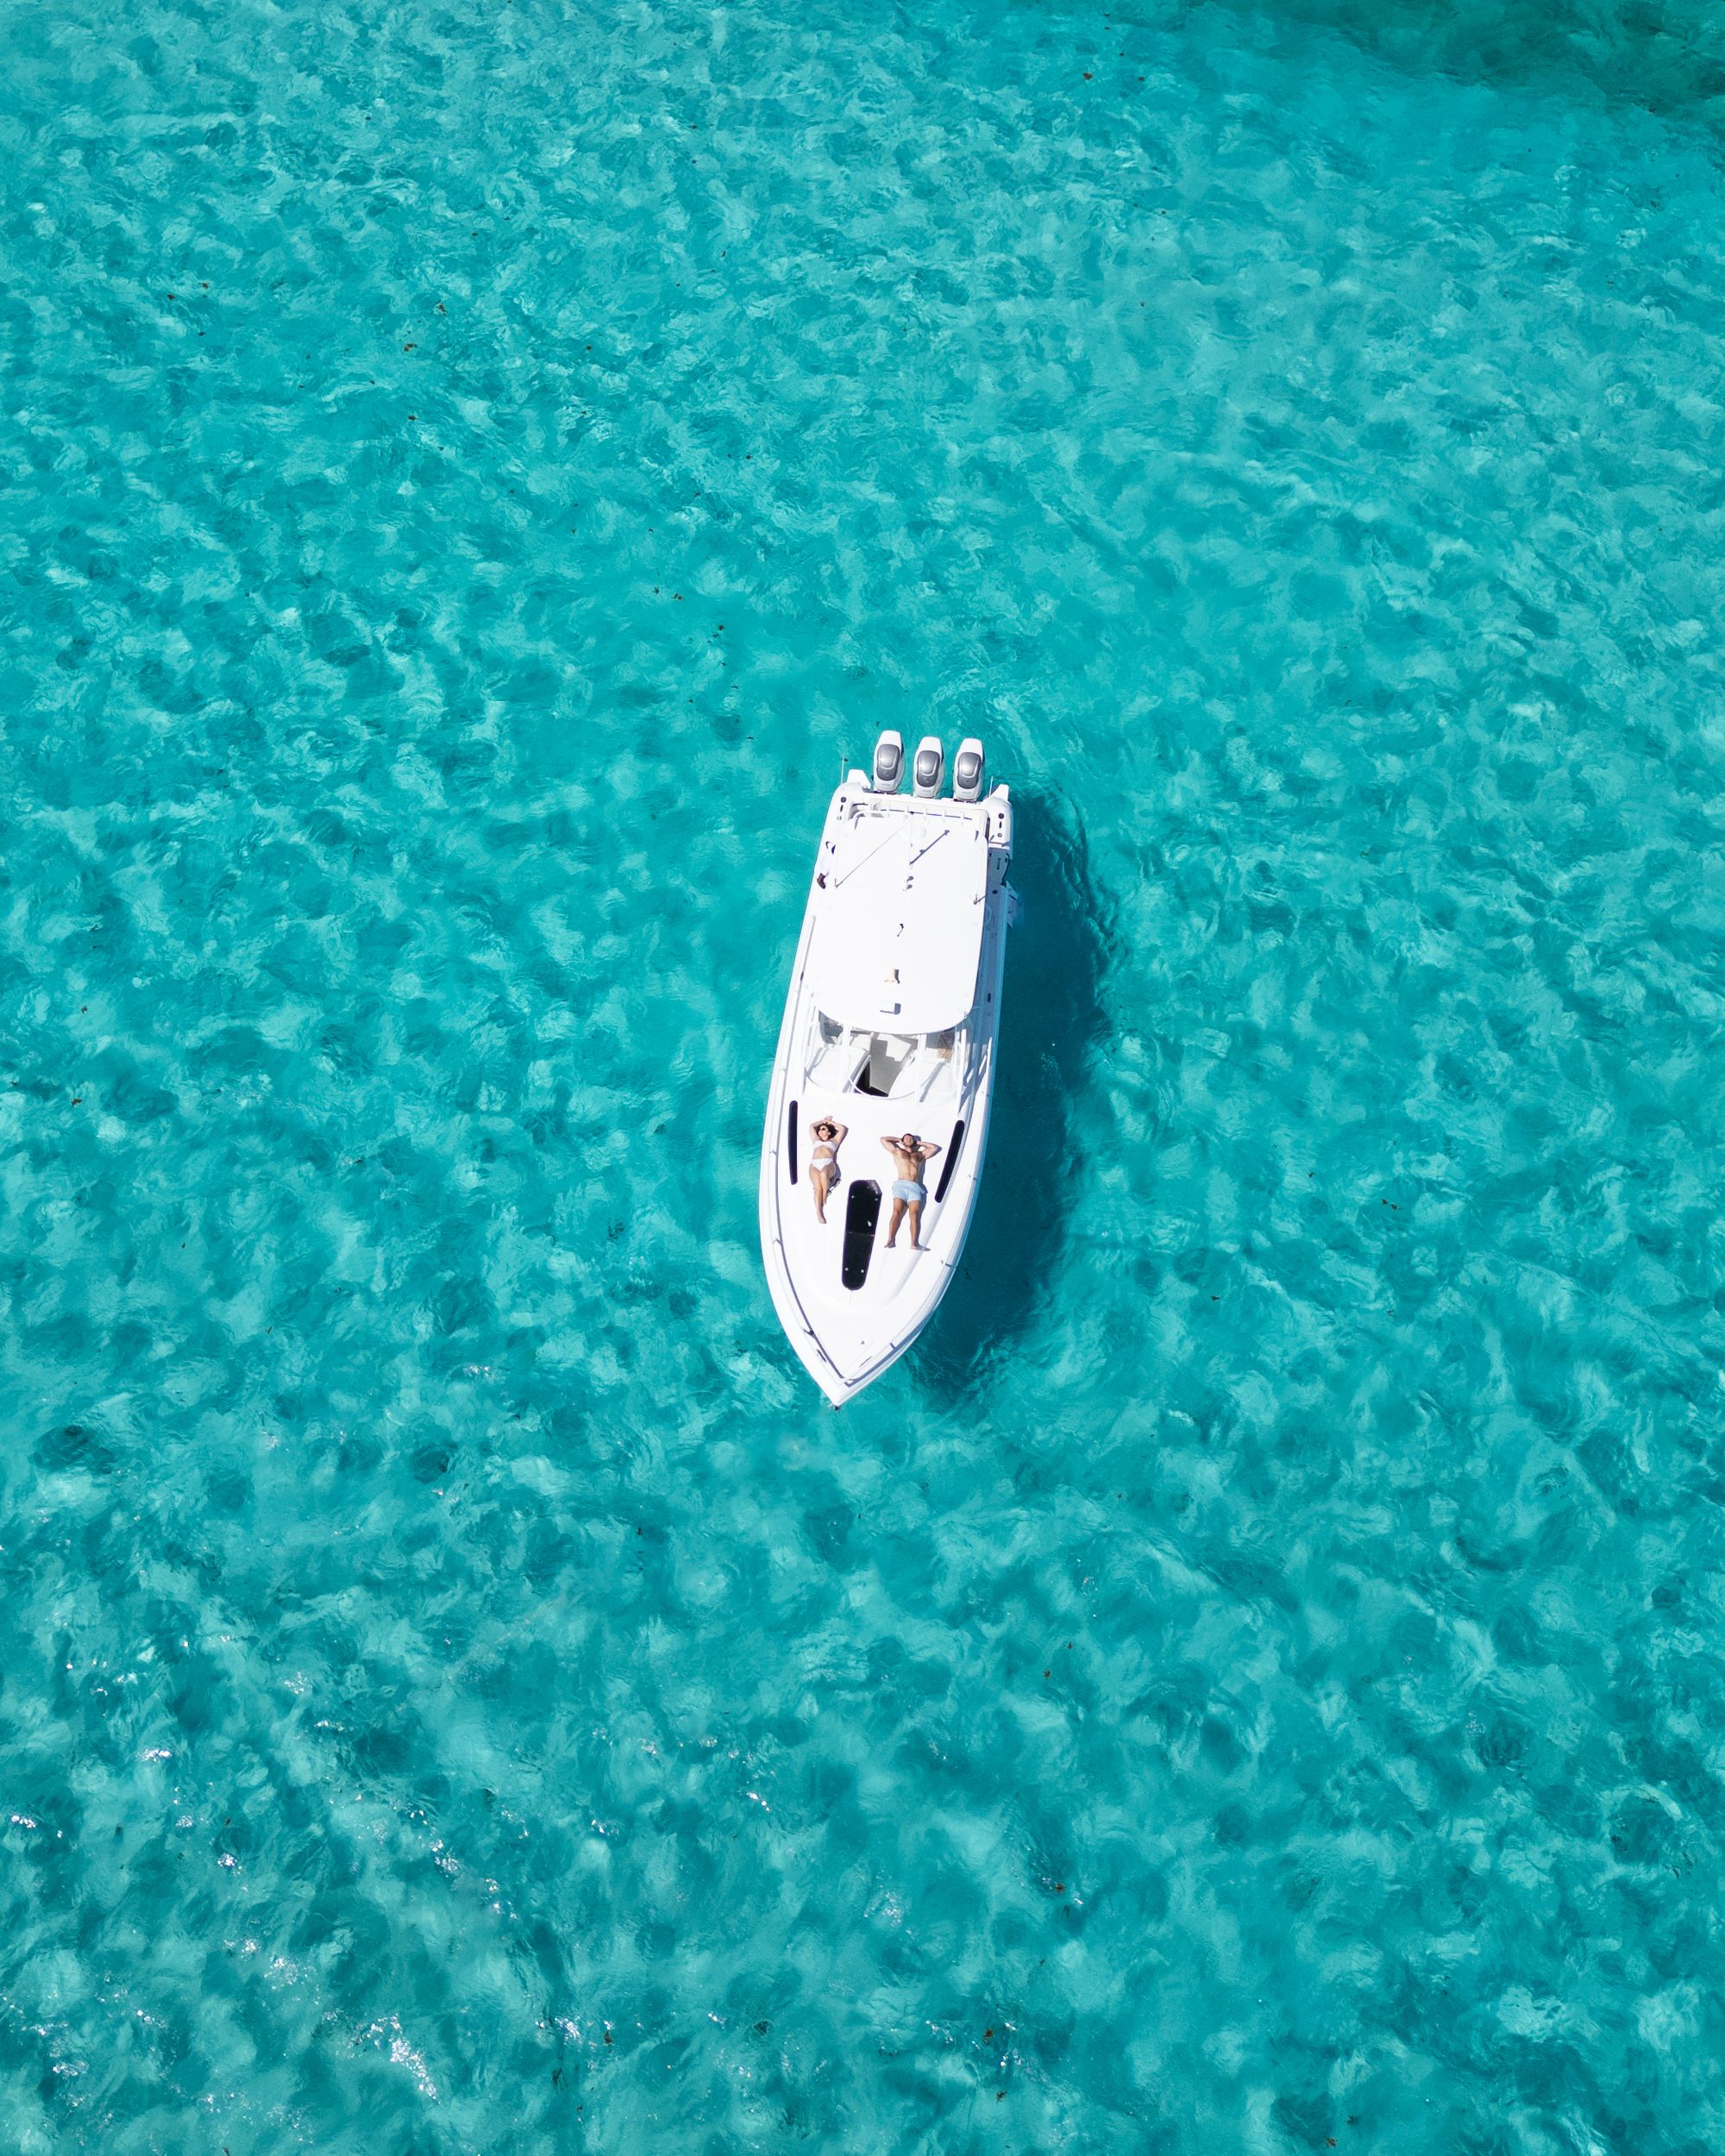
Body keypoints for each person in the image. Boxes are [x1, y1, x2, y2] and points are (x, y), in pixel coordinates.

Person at [880, 1131, 942, 1250]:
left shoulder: (919, 1155)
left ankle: (914, 1243)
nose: (908, 1139)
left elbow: (934, 1148)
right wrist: (898, 1140)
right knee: (896, 1212)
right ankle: (891, 1240)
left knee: (914, 1215)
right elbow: (883, 1139)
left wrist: (918, 1142)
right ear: (903, 1141)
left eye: (910, 1138)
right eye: (906, 1138)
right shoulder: (898, 1151)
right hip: (901, 1185)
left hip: (915, 1186)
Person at [807, 1118, 846, 1222]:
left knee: (824, 1174)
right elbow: (811, 1126)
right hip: (814, 1164)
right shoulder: (816, 1140)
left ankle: (824, 1196)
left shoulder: (834, 1141)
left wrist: (831, 1123)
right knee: (817, 1188)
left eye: (823, 1129)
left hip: (828, 1163)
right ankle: (819, 1213)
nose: (820, 1131)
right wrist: (822, 1121)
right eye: (819, 1129)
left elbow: (842, 1129)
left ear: (829, 1132)